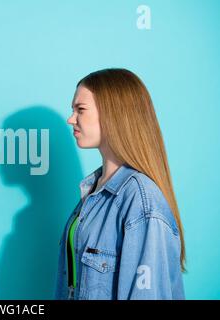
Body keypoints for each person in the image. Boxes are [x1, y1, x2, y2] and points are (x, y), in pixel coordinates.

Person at [55, 68, 185, 300]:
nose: (71, 119)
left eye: (80, 110)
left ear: (112, 114)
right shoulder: (92, 192)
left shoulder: (140, 199)